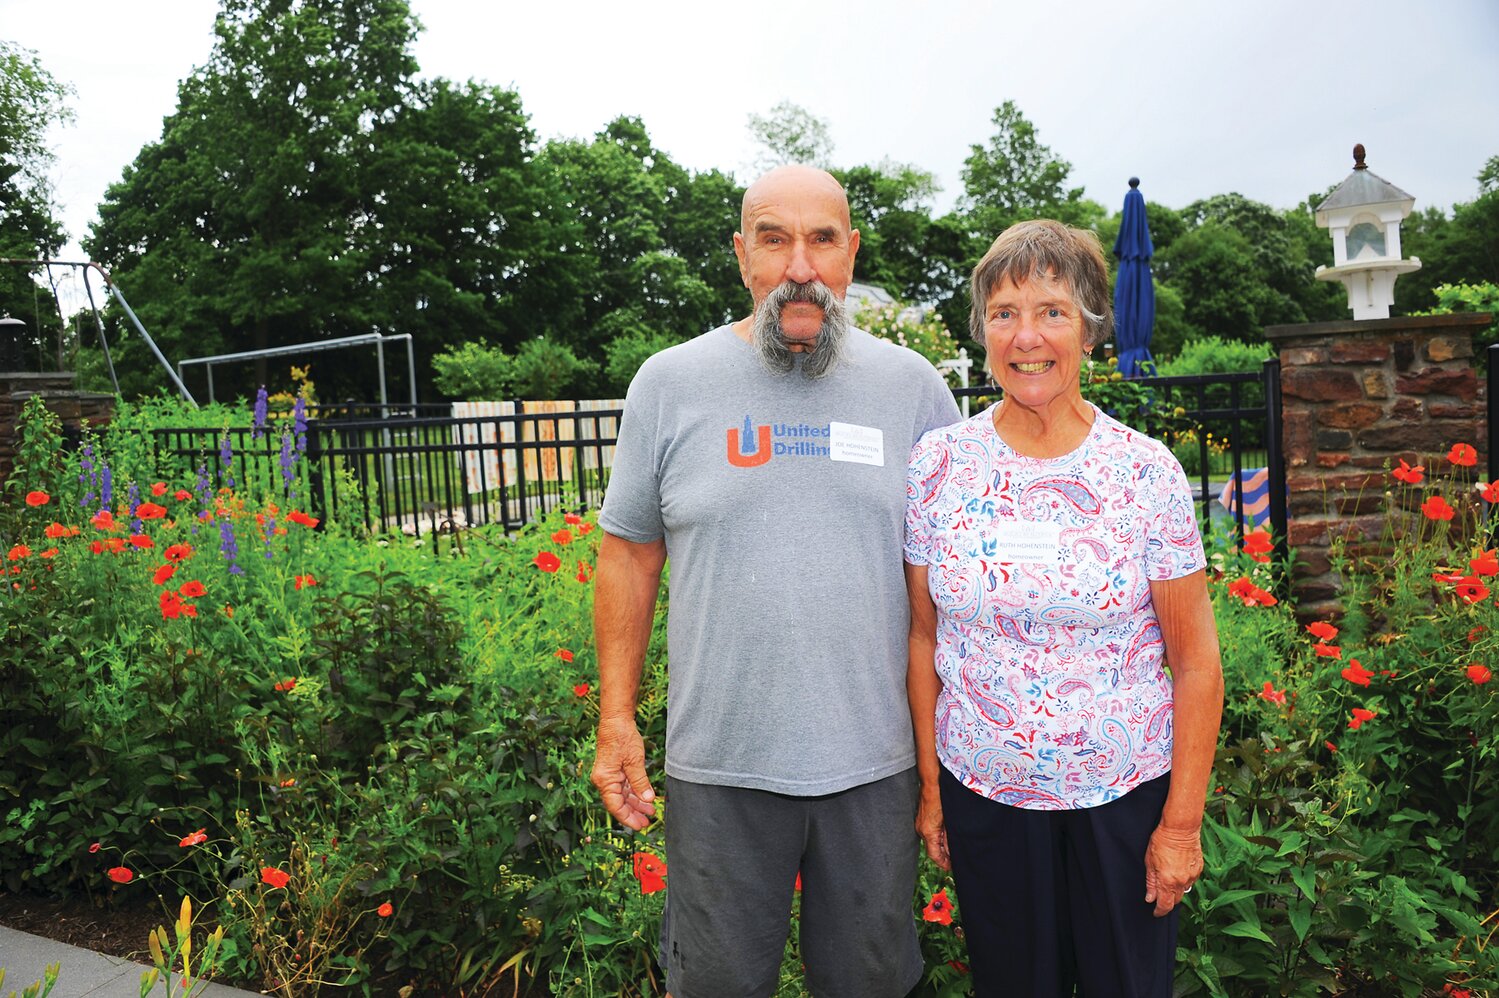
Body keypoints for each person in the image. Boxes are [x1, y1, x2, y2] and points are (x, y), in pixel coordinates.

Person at [591, 164, 961, 998]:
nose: (800, 265)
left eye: (821, 239)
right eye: (773, 238)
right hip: (718, 766)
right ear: (741, 256)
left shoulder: (914, 391)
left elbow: (953, 582)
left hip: (877, 766)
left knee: (870, 985)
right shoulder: (669, 383)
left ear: (851, 254)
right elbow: (629, 555)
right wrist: (616, 719)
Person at [903, 219, 1224, 996]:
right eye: (1004, 313)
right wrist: (931, 788)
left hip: (1124, 800)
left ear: (1088, 330)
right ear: (982, 333)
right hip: (985, 792)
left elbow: (1196, 664)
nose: (1026, 336)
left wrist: (1179, 825)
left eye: (1050, 311)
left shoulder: (1143, 473)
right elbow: (922, 638)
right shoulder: (937, 465)